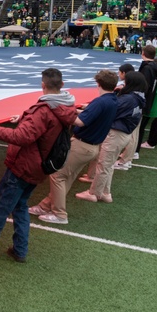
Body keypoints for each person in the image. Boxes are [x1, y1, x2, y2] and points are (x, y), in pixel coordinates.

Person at [0, 68, 77, 261]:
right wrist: (24, 119)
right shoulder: (65, 106)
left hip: (24, 166)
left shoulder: (44, 110)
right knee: (20, 206)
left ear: (43, 85)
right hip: (39, 166)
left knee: (1, 207)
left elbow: (21, 136)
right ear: (62, 85)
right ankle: (20, 250)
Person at [29, 70, 118, 225]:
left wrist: (57, 109)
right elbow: (89, 115)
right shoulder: (112, 100)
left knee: (57, 175)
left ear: (98, 83)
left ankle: (59, 214)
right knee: (66, 177)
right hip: (91, 147)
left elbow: (80, 122)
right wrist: (69, 109)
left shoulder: (101, 101)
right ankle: (45, 206)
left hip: (83, 145)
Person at [76, 71, 145, 204]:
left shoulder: (127, 99)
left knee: (103, 164)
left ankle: (94, 193)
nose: (122, 84)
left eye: (125, 82)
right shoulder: (138, 98)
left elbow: (107, 112)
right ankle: (105, 193)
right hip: (124, 134)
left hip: (116, 134)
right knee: (108, 165)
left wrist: (88, 110)